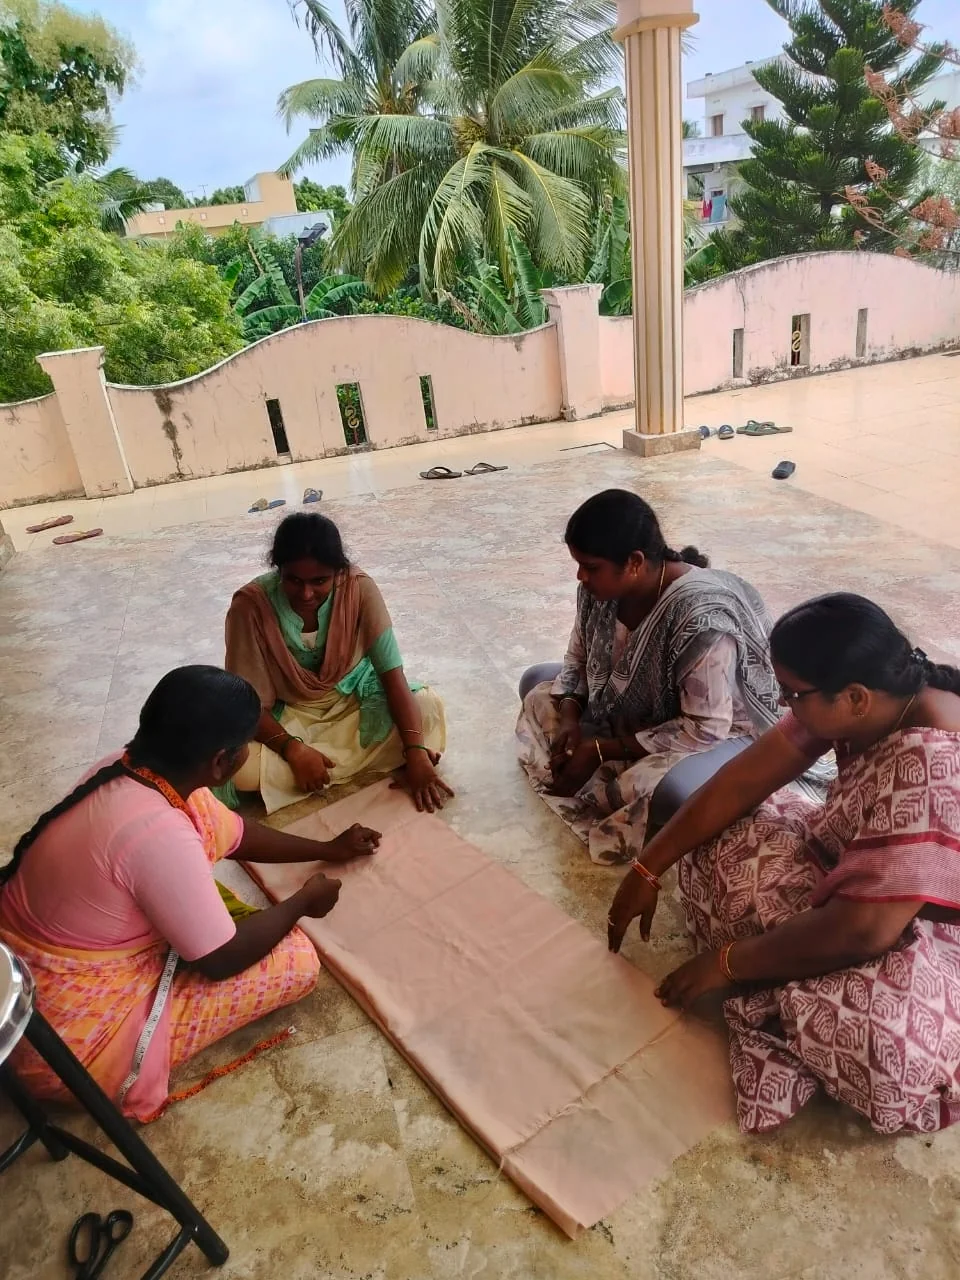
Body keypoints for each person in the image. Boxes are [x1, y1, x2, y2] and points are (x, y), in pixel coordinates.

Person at [607, 593, 960, 1135]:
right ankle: (777, 975)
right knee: (710, 837)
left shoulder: (933, 762)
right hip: (854, 867)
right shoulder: (864, 702)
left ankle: (772, 981)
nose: (782, 703)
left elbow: (866, 930)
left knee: (883, 1047)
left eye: (793, 695)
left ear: (856, 698)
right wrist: (647, 868)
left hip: (922, 932)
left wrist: (725, 963)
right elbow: (745, 779)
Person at [0, 665, 381, 1122]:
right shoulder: (156, 832)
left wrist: (328, 848)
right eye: (247, 747)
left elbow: (233, 832)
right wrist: (302, 901)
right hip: (60, 1037)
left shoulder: (130, 769)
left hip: (19, 972)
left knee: (199, 839)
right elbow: (219, 961)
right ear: (222, 762)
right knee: (297, 962)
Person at [516, 489, 800, 865]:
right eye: (578, 565)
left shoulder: (701, 619)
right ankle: (603, 762)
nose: (580, 576)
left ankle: (613, 769)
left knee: (671, 794)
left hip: (727, 732)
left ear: (634, 562)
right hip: (631, 710)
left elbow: (706, 727)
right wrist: (570, 715)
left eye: (591, 566)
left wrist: (601, 748)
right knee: (534, 682)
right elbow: (578, 657)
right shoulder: (598, 592)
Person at [224, 512, 451, 815]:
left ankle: (327, 769)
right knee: (237, 766)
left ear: (338, 571)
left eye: (320, 581)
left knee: (427, 705)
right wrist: (293, 750)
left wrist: (415, 753)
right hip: (290, 713)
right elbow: (247, 704)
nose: (306, 594)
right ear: (278, 570)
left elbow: (392, 676)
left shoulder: (358, 588)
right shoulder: (250, 607)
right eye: (293, 580)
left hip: (354, 698)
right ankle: (349, 762)